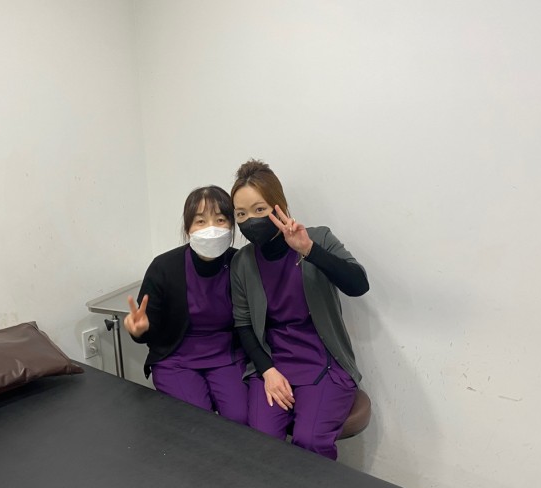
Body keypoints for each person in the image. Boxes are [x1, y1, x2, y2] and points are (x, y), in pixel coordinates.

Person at [230, 160, 369, 459]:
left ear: (278, 206)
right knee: (261, 441)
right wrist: (267, 370)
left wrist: (309, 250)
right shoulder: (242, 262)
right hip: (274, 364)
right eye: (241, 214)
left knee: (310, 441)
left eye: (259, 209)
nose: (250, 220)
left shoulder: (317, 238)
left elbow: (358, 284)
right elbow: (243, 324)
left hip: (324, 363)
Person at [124, 186, 248, 424]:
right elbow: (146, 331)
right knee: (195, 422)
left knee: (240, 419)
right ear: (187, 228)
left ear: (232, 225)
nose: (211, 228)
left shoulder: (240, 262)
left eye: (220, 220)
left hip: (227, 356)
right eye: (200, 221)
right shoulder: (164, 267)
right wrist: (139, 330)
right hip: (176, 359)